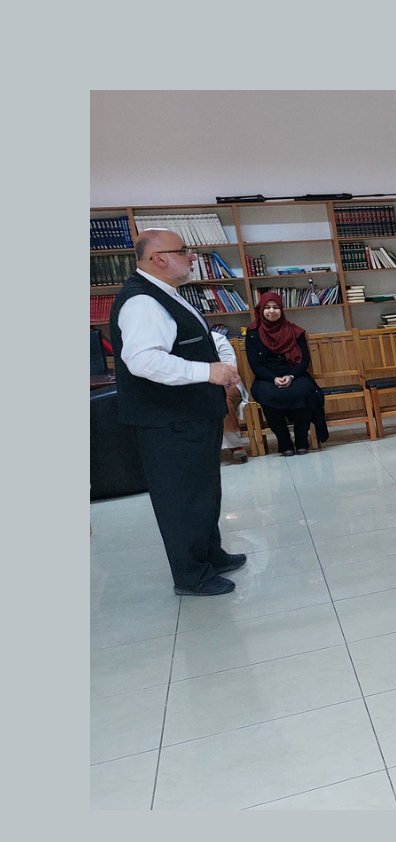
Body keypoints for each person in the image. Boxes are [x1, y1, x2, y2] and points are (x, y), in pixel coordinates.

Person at [108, 228, 245, 596]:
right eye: (184, 250)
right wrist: (208, 372)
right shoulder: (142, 302)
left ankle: (210, 555)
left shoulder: (165, 293)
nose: (192, 257)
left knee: (203, 492)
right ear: (159, 259)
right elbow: (143, 361)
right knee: (182, 499)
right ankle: (191, 575)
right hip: (168, 421)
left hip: (191, 415)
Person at [246, 292, 325, 457]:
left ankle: (301, 439)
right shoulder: (253, 333)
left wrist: (290, 376)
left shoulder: (295, 331)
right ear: (261, 310)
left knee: (304, 391)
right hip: (267, 378)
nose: (271, 311)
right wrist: (273, 378)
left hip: (295, 374)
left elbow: (304, 361)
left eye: (275, 307)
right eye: (267, 307)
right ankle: (284, 442)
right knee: (268, 395)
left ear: (281, 310)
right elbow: (255, 365)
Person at [210, 326, 248, 464]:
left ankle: (235, 445)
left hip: (226, 383)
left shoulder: (217, 338)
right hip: (195, 386)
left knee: (221, 398)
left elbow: (229, 367)